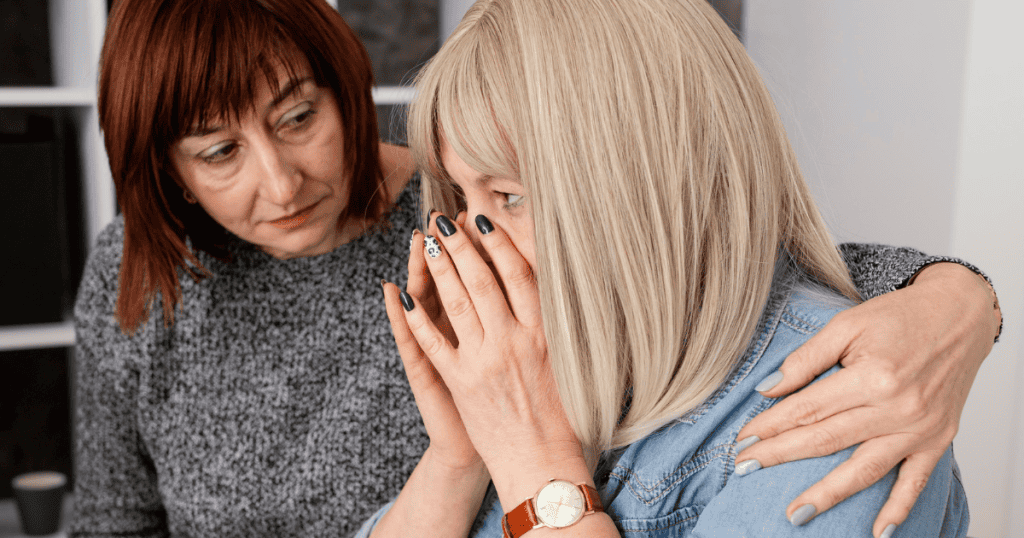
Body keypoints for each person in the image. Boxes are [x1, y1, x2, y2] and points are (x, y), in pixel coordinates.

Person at [72, 0, 998, 537]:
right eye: (217, 153)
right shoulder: (138, 277)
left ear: (343, 88)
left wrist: (959, 293)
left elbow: (733, 265)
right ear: (170, 175)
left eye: (296, 117)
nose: (279, 182)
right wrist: (470, 453)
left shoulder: (441, 226)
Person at [369, 0, 1002, 537]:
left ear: (647, 184)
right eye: (462, 201)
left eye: (510, 196)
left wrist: (536, 469)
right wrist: (459, 457)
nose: (471, 248)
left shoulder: (841, 412)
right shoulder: (547, 371)